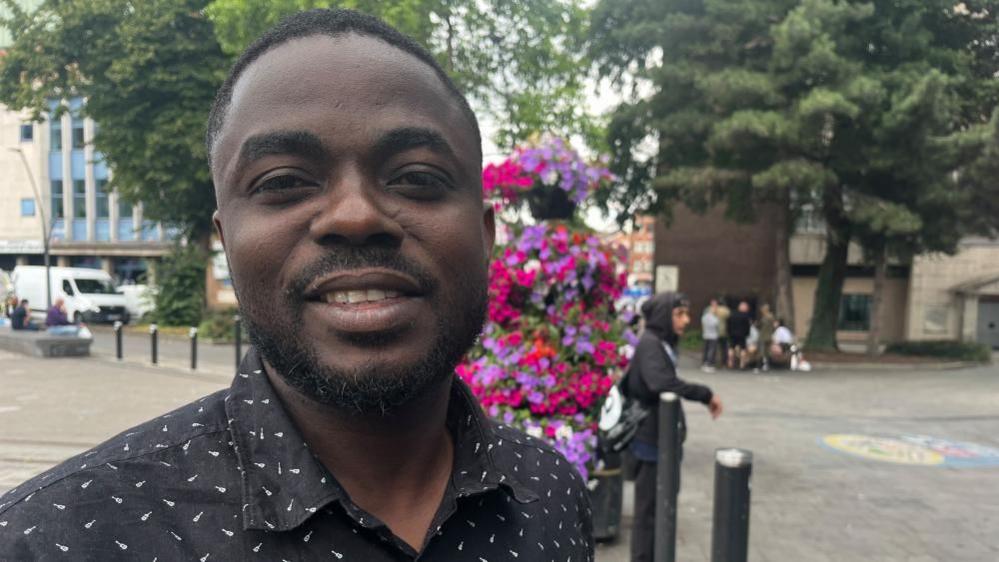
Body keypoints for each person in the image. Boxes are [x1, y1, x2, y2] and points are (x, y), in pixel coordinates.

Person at [0, 10, 593, 560]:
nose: (355, 216)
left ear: (486, 236)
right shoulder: (55, 540)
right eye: (283, 181)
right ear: (227, 240)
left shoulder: (552, 493)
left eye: (417, 176)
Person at [627, 292, 723, 562]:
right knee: (648, 512)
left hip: (662, 440)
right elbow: (661, 383)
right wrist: (704, 394)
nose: (686, 320)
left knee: (660, 508)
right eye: (678, 314)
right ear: (662, 316)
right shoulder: (650, 344)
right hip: (651, 442)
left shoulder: (661, 343)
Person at [727, 300, 752, 369]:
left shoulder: (732, 314)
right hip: (742, 335)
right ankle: (742, 364)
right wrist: (747, 334)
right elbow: (747, 327)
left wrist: (729, 332)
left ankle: (730, 363)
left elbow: (728, 324)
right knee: (743, 349)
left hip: (732, 334)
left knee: (731, 348)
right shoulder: (746, 316)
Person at [701, 298, 720, 372]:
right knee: (711, 350)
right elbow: (715, 325)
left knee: (706, 349)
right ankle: (709, 364)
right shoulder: (714, 317)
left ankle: (704, 363)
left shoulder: (704, 317)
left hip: (705, 335)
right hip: (713, 335)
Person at [756, 303, 775, 371]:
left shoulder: (765, 317)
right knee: (767, 352)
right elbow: (773, 327)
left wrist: (757, 324)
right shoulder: (771, 316)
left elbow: (760, 326)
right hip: (769, 336)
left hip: (763, 336)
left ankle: (759, 365)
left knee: (761, 351)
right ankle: (768, 365)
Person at [715, 297, 731, 368]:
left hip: (715, 331)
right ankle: (723, 362)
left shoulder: (715, 310)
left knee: (716, 347)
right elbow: (729, 319)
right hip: (724, 331)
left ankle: (716, 362)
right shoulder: (726, 310)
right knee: (724, 348)